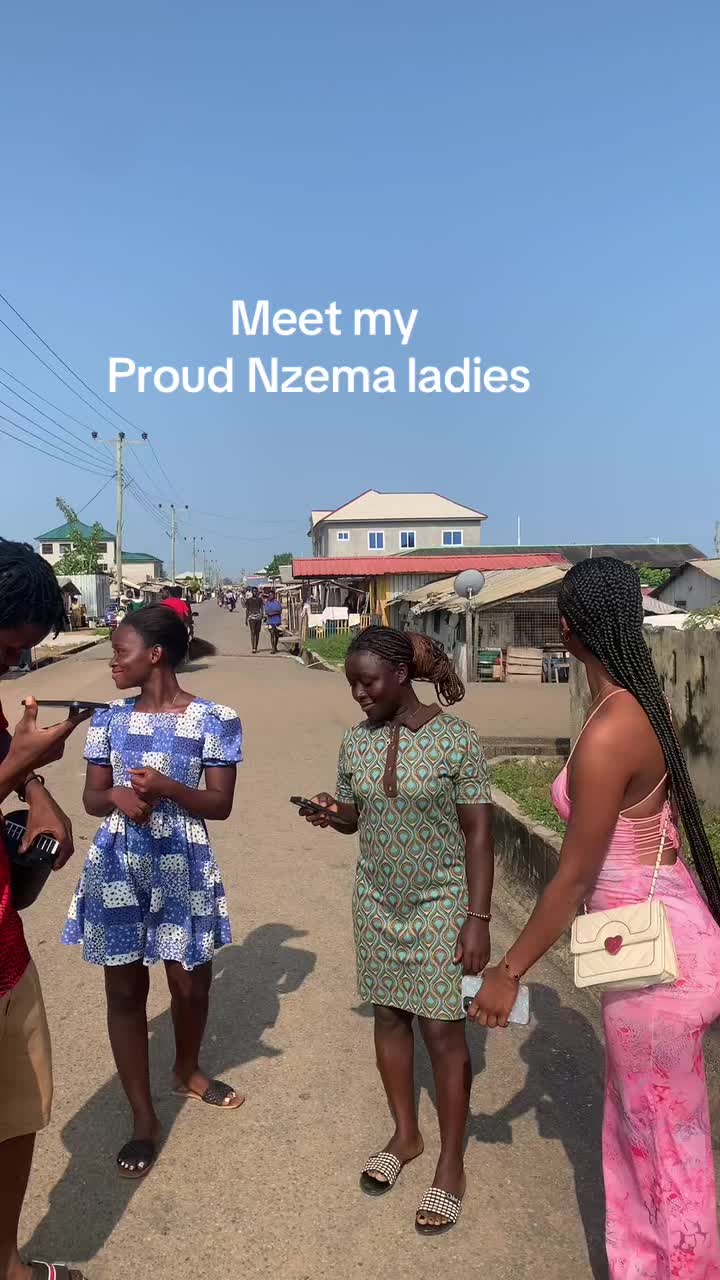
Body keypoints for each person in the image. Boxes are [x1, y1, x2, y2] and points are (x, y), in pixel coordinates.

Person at [469, 557, 720, 1279]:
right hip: (664, 943)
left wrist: (509, 971)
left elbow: (573, 875)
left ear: (568, 630)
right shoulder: (635, 705)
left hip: (658, 968)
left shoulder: (611, 730)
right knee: (645, 1137)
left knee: (667, 1155)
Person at [299, 626, 494, 1235]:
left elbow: (479, 835)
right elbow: (356, 818)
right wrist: (332, 813)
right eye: (352, 685)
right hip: (377, 902)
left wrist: (477, 919)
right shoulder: (355, 743)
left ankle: (451, 1163)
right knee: (388, 1016)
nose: (359, 694)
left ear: (401, 676)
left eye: (368, 682)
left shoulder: (457, 740)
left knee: (442, 1029)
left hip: (441, 902)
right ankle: (405, 1135)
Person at [62, 605, 244, 1181]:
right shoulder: (108, 721)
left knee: (190, 983)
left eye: (121, 652)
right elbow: (93, 798)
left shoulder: (216, 718)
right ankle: (143, 1117)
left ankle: (186, 1069)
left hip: (182, 862)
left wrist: (167, 788)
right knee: (123, 989)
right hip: (119, 863)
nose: (113, 662)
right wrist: (115, 795)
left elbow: (220, 804)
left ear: (155, 655)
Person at [0, 539, 91, 1280]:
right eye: (6, 647)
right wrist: (18, 766)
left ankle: (7, 1263)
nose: (12, 664)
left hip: (4, 947)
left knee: (18, 1109)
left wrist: (35, 792)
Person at [245, 588, 264, 654]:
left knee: (257, 633)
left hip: (258, 617)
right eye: (254, 591)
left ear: (257, 592)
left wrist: (262, 615)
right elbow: (247, 610)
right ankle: (253, 647)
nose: (255, 592)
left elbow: (262, 608)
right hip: (251, 617)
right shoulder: (249, 600)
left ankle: (256, 647)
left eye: (256, 591)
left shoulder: (260, 599)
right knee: (253, 632)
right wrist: (246, 619)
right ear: (252, 592)